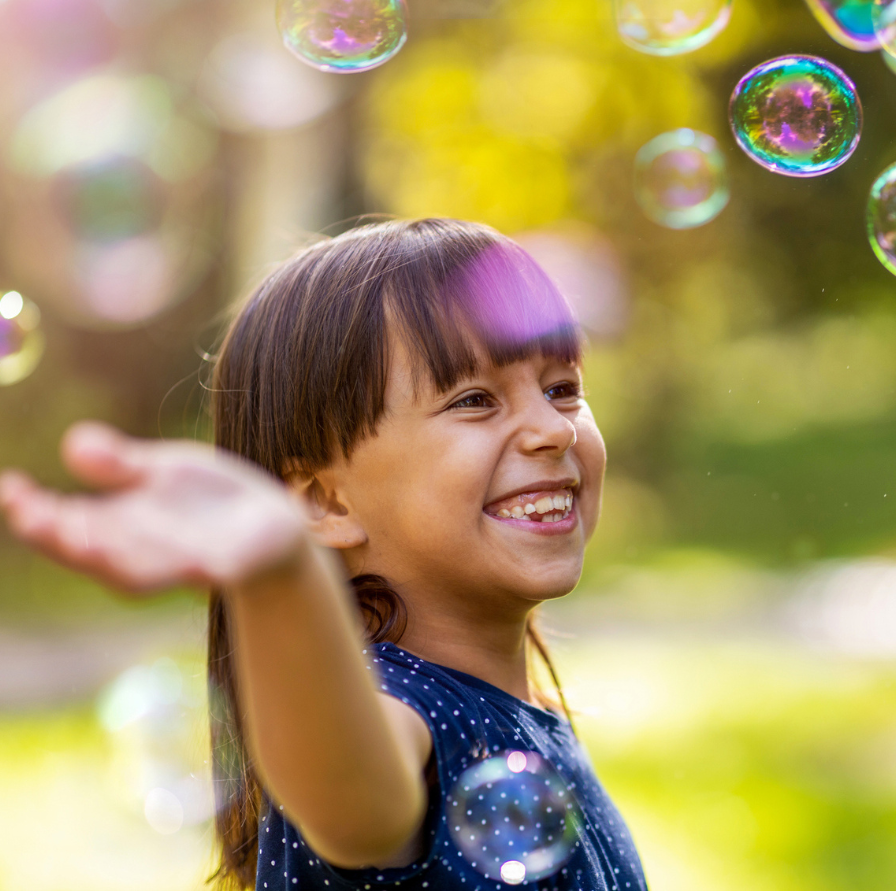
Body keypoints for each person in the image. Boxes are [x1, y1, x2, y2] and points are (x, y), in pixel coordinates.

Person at [0, 218, 647, 891]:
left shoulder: (508, 710)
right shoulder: (398, 715)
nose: (552, 428)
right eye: (475, 400)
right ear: (326, 501)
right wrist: (281, 572)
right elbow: (352, 793)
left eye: (562, 387)